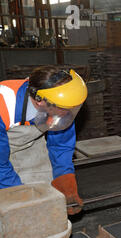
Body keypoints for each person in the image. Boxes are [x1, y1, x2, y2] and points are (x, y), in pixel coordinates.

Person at [0, 66, 87, 214]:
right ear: (39, 101)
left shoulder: (61, 103)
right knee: (12, 208)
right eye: (63, 109)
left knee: (47, 197)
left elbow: (61, 146)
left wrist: (65, 183)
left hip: (30, 145)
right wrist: (20, 197)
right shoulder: (4, 103)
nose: (68, 113)